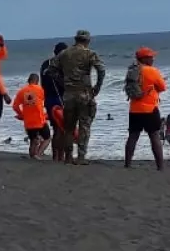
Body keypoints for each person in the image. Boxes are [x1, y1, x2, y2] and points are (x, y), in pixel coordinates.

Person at [47, 30, 105, 165]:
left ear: (75, 39)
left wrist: (63, 82)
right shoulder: (89, 53)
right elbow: (101, 69)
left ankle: (68, 156)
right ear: (87, 41)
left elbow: (51, 70)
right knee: (84, 125)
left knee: (68, 127)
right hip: (84, 93)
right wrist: (97, 87)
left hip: (68, 94)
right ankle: (81, 157)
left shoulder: (64, 53)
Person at [124, 47, 166, 170]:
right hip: (150, 109)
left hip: (134, 109)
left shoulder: (132, 70)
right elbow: (163, 87)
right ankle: (160, 167)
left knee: (133, 136)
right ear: (145, 58)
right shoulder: (151, 71)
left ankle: (127, 164)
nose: (153, 59)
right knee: (154, 136)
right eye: (151, 57)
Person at [13, 74, 51, 160]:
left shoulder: (21, 91)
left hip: (28, 121)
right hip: (39, 120)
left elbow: (15, 106)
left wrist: (22, 115)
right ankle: (38, 153)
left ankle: (32, 155)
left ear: (28, 80)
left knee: (33, 140)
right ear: (37, 81)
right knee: (47, 138)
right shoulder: (40, 89)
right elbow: (44, 102)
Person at [40, 42, 68, 162]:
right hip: (60, 98)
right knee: (63, 129)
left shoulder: (45, 64)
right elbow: (66, 83)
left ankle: (55, 156)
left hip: (48, 99)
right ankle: (61, 156)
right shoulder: (63, 65)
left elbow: (43, 83)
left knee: (56, 128)